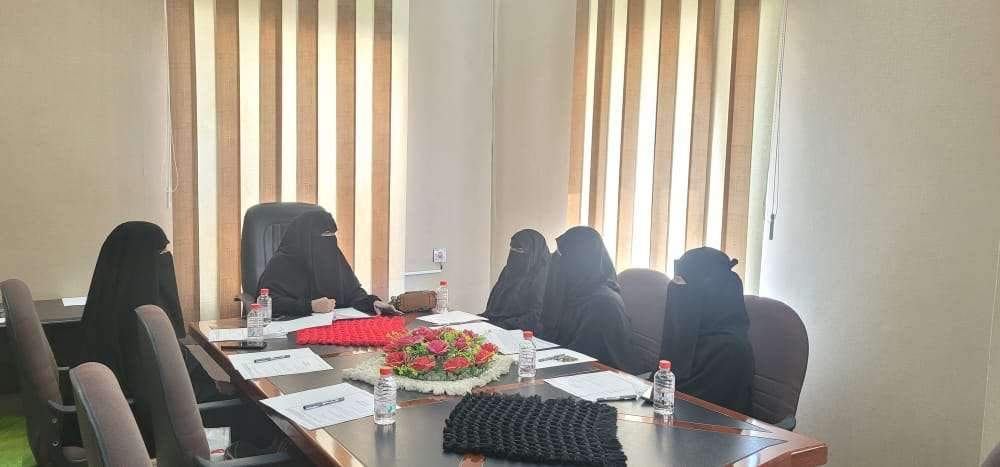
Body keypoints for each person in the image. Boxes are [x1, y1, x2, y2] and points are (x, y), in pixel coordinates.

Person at [659, 247, 754, 414]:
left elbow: (698, 410)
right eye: (674, 280)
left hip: (706, 427)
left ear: (710, 292)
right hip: (669, 418)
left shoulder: (730, 349)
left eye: (681, 282)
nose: (673, 288)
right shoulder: (685, 332)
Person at [257, 210, 396, 317]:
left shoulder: (332, 256)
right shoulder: (282, 263)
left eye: (331, 235)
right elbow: (267, 302)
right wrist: (310, 306)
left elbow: (353, 293)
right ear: (306, 239)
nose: (329, 241)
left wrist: (372, 302)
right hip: (292, 333)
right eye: (324, 235)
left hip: (335, 330)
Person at [538, 226, 632, 371]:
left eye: (562, 254)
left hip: (600, 375)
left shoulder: (603, 305)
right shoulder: (573, 291)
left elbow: (582, 359)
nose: (555, 258)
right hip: (565, 368)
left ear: (582, 260)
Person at [483, 229, 550, 331]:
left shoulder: (543, 277)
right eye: (512, 248)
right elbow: (493, 306)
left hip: (522, 332)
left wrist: (504, 325)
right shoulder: (509, 269)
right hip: (496, 325)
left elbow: (536, 316)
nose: (514, 253)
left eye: (520, 250)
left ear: (534, 252)